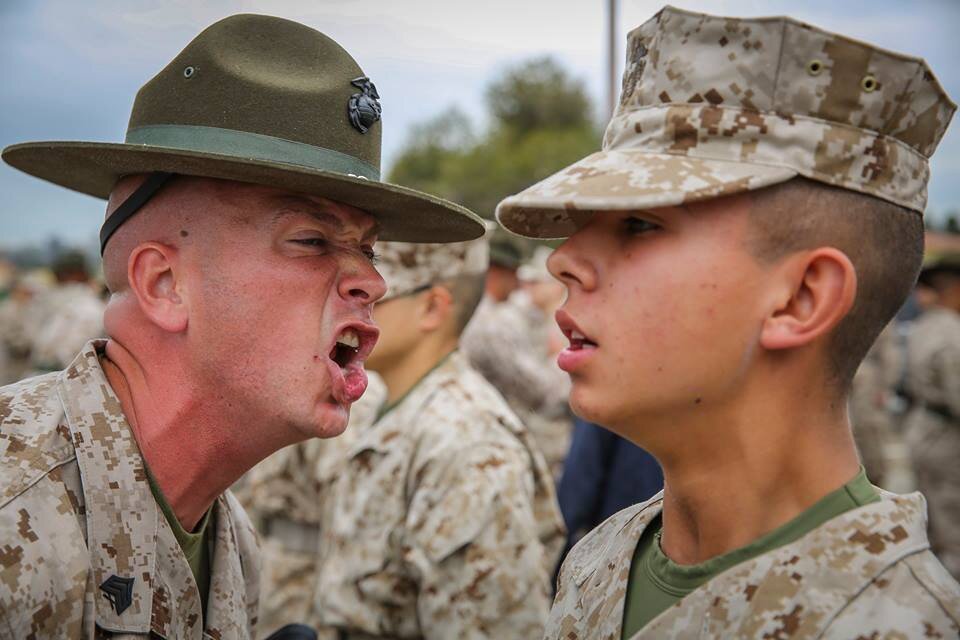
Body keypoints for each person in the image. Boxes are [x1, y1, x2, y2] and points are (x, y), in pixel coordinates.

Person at [0, 14, 482, 639]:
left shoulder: (231, 543)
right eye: (310, 240)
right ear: (164, 286)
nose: (372, 282)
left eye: (369, 249)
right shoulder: (14, 513)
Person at [496, 6, 959, 638]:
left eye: (639, 224)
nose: (565, 259)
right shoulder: (602, 562)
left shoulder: (903, 626)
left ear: (801, 298)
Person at [312, 239, 566, 639]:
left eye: (378, 297)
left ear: (431, 308)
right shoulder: (375, 407)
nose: (349, 309)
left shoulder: (469, 443)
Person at [236, 373, 386, 638]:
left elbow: (342, 504)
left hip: (310, 580)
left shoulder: (344, 391)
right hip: (267, 569)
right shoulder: (274, 381)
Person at [463, 244, 573, 480]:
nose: (518, 284)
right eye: (513, 273)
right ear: (495, 272)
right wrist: (559, 356)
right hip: (491, 449)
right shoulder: (492, 323)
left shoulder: (473, 311)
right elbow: (541, 393)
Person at [902, 254, 960, 580]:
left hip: (922, 429)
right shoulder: (953, 333)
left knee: (931, 523)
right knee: (953, 526)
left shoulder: (924, 327)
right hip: (947, 441)